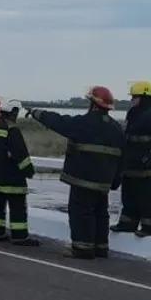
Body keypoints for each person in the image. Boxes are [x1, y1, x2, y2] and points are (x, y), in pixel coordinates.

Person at [28, 86, 125, 259]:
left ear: (93, 105)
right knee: (101, 213)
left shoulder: (83, 123)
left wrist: (36, 113)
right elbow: (121, 158)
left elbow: (58, 122)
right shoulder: (117, 129)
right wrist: (116, 180)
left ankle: (82, 248)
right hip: (103, 182)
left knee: (81, 212)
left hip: (83, 179)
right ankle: (100, 248)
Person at [112, 81, 151, 237]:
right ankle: (127, 224)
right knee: (129, 196)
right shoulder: (134, 113)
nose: (132, 99)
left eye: (135, 96)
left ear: (144, 97)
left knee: (146, 198)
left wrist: (150, 157)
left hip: (148, 169)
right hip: (131, 166)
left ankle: (150, 227)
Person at [0, 97, 39, 245]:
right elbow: (21, 155)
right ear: (13, 113)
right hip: (12, 179)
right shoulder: (13, 130)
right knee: (17, 209)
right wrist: (29, 171)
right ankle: (20, 236)